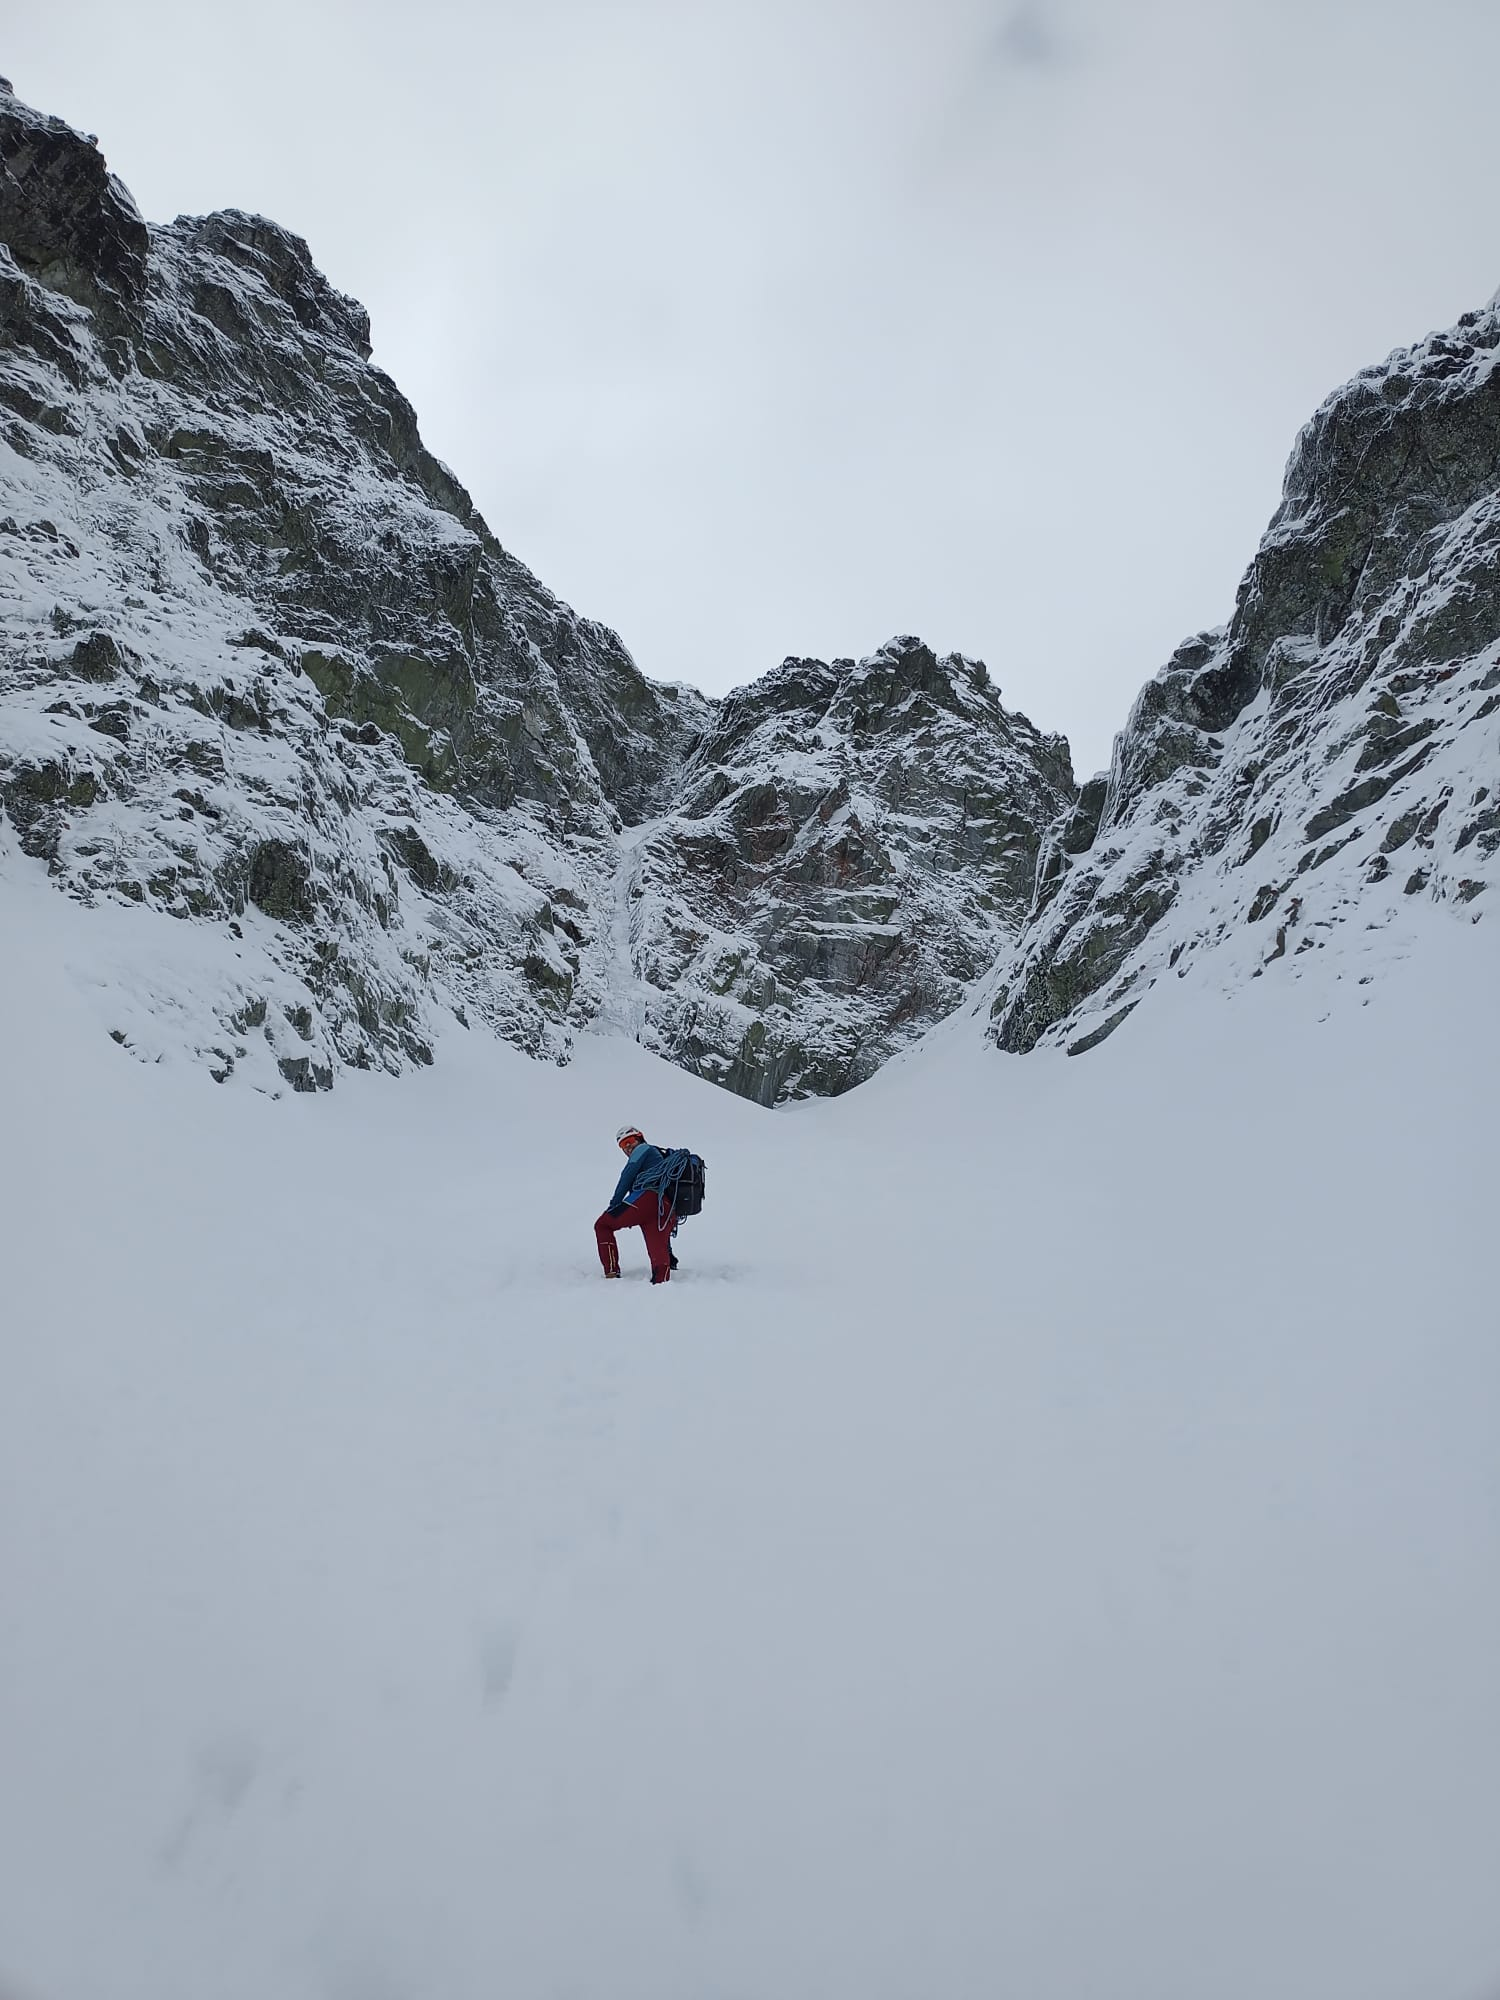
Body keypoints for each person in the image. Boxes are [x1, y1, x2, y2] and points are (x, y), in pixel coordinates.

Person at [595, 1124, 679, 1284]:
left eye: (630, 1141)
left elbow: (627, 1175)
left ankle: (611, 1273)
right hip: (664, 1208)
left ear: (640, 1138)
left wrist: (614, 1205)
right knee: (659, 1260)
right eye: (622, 1145)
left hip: (645, 1199)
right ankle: (661, 1286)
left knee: (602, 1225)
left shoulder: (643, 1149)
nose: (627, 1147)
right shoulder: (657, 1156)